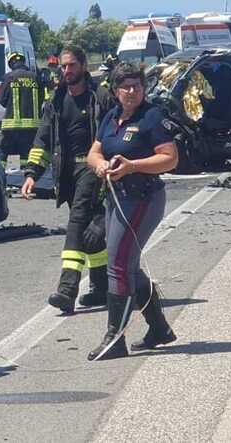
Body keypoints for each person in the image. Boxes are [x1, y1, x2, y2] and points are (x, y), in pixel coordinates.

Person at [85, 62, 179, 360]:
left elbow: (170, 159)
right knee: (126, 265)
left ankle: (115, 337)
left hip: (143, 198)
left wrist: (132, 166)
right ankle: (160, 328)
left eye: (136, 86)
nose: (131, 91)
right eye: (125, 86)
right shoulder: (112, 117)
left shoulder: (151, 117)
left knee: (118, 264)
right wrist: (99, 164)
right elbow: (95, 150)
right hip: (117, 197)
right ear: (115, 90)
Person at [21, 46, 110, 313]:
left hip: (92, 168)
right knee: (90, 235)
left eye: (71, 65)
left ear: (83, 66)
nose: (66, 71)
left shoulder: (100, 97)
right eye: (63, 66)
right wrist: (31, 174)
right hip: (66, 173)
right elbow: (43, 138)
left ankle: (67, 289)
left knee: (76, 222)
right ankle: (101, 287)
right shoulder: (56, 99)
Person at [0, 52, 45, 167]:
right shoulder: (35, 77)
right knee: (28, 154)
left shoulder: (9, 77)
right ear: (23, 62)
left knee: (8, 155)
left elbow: (1, 99)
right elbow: (42, 97)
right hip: (32, 126)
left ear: (12, 63)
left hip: (11, 126)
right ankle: (28, 177)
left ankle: (12, 178)